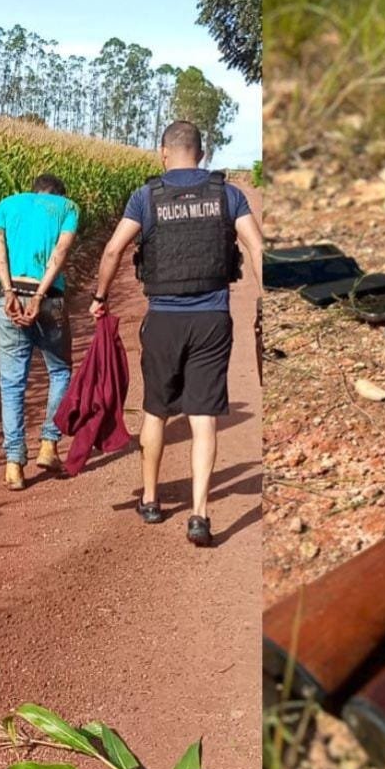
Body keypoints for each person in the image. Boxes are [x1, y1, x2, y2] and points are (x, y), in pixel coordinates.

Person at [89, 121, 263, 547]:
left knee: (157, 409)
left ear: (163, 152)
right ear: (201, 154)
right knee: (203, 417)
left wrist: (100, 296)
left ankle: (150, 500)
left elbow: (114, 250)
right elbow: (258, 248)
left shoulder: (147, 197)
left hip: (163, 318)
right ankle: (200, 514)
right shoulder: (228, 194)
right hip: (213, 318)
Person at [0, 173, 78, 491]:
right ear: (59, 193)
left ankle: (14, 464)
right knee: (60, 371)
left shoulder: (6, 205)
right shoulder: (67, 207)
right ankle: (48, 445)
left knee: (12, 384)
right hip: (48, 299)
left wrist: (9, 291)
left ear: (34, 191)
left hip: (8, 299)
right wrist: (39, 296)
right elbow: (60, 253)